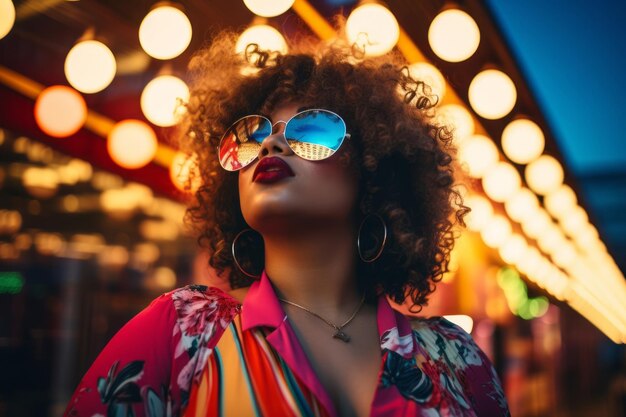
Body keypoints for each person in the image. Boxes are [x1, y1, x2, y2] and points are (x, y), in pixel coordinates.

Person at [64, 31, 510, 417]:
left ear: (377, 170)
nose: (272, 142)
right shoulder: (180, 334)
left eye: (312, 131)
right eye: (252, 136)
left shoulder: (458, 358)